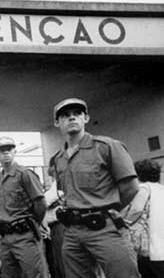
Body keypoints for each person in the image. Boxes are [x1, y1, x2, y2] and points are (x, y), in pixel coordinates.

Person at [48, 98, 140, 278]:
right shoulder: (58, 159)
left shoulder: (107, 147)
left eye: (77, 114)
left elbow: (130, 187)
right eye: (65, 115)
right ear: (57, 122)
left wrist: (109, 210)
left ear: (86, 118)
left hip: (105, 228)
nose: (72, 118)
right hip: (73, 232)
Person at [0, 136, 47, 278]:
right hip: (6, 236)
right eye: (1, 150)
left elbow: (40, 203)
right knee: (8, 275)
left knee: (35, 274)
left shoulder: (25, 174)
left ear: (15, 151)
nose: (6, 153)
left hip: (24, 234)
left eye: (9, 149)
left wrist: (33, 222)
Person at [121, 159, 164, 277]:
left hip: (152, 249)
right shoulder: (161, 188)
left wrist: (120, 221)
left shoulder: (144, 188)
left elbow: (136, 210)